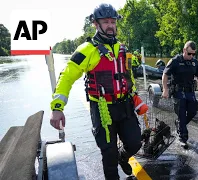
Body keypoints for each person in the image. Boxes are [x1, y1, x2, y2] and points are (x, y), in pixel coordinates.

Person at [49, 3, 144, 179]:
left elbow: (127, 76)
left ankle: (124, 157)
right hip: (102, 110)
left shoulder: (123, 48)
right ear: (95, 24)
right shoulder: (87, 50)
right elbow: (67, 77)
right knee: (109, 155)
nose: (110, 25)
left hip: (125, 106)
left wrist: (136, 98)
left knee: (135, 143)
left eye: (113, 21)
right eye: (106, 21)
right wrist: (57, 107)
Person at [161, 41, 198, 149]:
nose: (191, 56)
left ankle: (179, 123)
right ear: (184, 50)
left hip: (190, 91)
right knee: (181, 113)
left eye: (193, 54)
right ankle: (183, 138)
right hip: (178, 91)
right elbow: (165, 75)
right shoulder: (175, 61)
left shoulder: (194, 62)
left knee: (193, 111)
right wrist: (165, 89)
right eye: (189, 53)